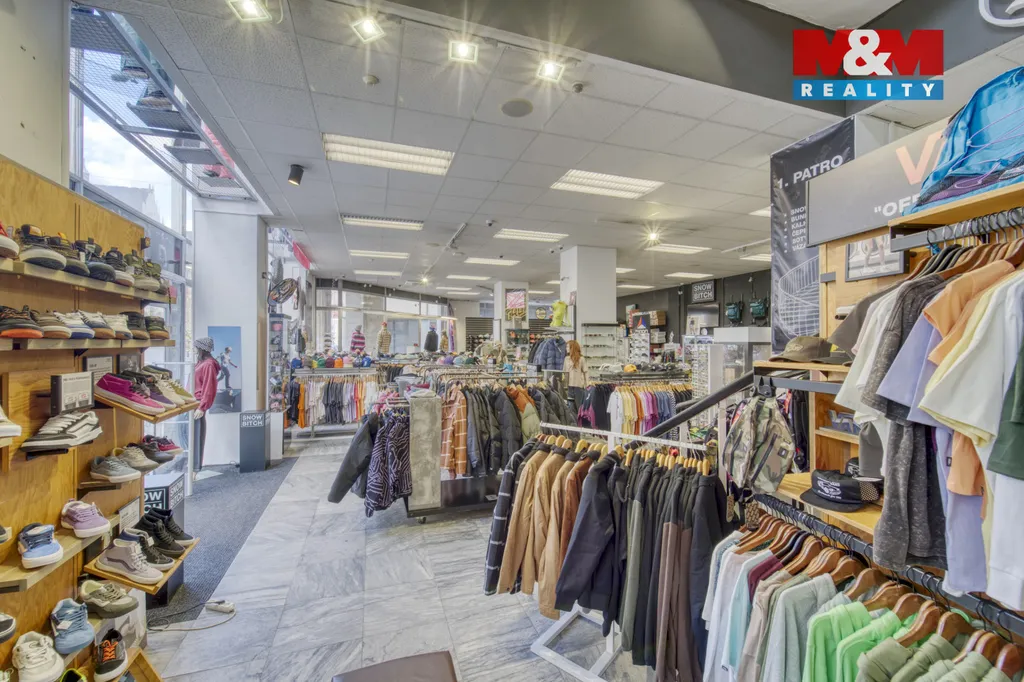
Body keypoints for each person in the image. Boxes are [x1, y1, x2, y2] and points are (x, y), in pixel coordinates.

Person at [193, 337, 220, 479]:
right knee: (190, 438)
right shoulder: (201, 363)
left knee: (196, 437)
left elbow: (209, 388)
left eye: (196, 348)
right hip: (192, 403)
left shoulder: (208, 365)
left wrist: (202, 407)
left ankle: (194, 469)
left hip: (198, 404)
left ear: (202, 349)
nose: (194, 351)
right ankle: (191, 468)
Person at [563, 340, 587, 414]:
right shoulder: (566, 359)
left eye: (567, 347)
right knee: (570, 409)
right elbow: (564, 373)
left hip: (578, 387)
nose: (566, 348)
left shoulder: (581, 359)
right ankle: (573, 421)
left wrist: (587, 385)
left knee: (580, 408)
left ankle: (580, 421)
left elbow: (586, 372)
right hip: (569, 387)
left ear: (572, 348)